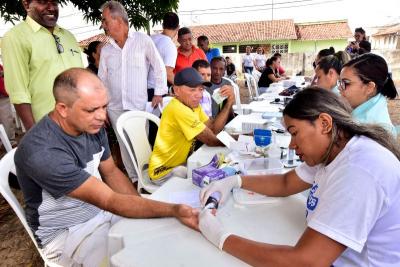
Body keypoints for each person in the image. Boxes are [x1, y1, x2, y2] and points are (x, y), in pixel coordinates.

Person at [14, 68, 198, 266]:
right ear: (62, 109)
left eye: (104, 106)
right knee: (140, 259)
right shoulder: (42, 151)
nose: (102, 116)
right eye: (92, 109)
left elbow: (111, 172)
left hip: (100, 212)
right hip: (67, 235)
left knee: (163, 239)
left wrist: (144, 214)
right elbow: (109, 199)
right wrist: (174, 210)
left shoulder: (91, 125)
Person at [199, 87, 400, 267]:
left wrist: (221, 237)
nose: (291, 145)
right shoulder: (335, 149)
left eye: (295, 133)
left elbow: (305, 261)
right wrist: (235, 181)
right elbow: (285, 183)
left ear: (324, 123)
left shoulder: (359, 169)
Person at [98, 1, 167, 184]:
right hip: (114, 106)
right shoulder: (106, 50)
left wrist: (159, 92)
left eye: (105, 20)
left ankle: (149, 176)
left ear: (118, 20)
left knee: (140, 141)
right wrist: (101, 107)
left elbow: (159, 66)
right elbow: (101, 80)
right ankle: (136, 180)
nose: (103, 24)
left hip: (138, 104)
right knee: (123, 144)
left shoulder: (142, 40)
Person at [2, 0, 83, 131]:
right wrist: (35, 134)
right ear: (26, 5)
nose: (51, 8)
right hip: (48, 127)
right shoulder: (15, 38)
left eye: (54, 2)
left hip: (82, 119)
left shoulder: (68, 36)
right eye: (43, 2)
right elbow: (18, 92)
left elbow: (82, 78)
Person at [148, 68, 235, 183]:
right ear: (176, 90)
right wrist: (239, 140)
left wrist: (228, 103)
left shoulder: (193, 106)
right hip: (163, 171)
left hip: (182, 164)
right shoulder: (178, 109)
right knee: (213, 177)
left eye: (201, 89)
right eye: (192, 90)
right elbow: (212, 140)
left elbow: (213, 129)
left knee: (221, 166)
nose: (199, 95)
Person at [339, 53, 397, 137]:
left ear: (369, 87)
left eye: (346, 83)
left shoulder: (370, 131)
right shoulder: (376, 103)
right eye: (340, 82)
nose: (340, 88)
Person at [149, 11, 179, 87]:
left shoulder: (150, 39)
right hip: (156, 90)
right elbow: (168, 73)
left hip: (142, 88)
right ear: (178, 27)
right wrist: (181, 87)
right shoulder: (170, 46)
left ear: (163, 25)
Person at [0, 64, 16, 146]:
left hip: (2, 96)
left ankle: (10, 141)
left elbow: (6, 73)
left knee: (7, 119)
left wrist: (2, 73)